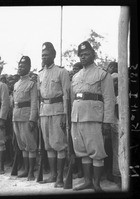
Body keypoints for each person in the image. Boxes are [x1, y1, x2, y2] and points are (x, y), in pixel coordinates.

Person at [71, 41, 115, 192]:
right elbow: (73, 99)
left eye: (87, 54)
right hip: (77, 118)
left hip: (93, 117)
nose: (83, 57)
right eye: (81, 55)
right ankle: (87, 181)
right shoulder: (76, 76)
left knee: (96, 152)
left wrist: (107, 122)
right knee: (82, 151)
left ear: (93, 55)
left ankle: (96, 183)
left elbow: (109, 99)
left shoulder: (102, 74)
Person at [38, 42, 70, 188]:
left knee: (59, 144)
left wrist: (64, 114)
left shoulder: (61, 72)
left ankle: (60, 178)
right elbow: (40, 97)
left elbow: (66, 95)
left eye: (47, 55)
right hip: (44, 111)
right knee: (49, 145)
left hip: (58, 110)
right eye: (42, 55)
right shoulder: (40, 74)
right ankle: (52, 175)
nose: (44, 57)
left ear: (54, 55)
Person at [12, 56, 38, 181]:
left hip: (27, 116)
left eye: (23, 65)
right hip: (16, 117)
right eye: (19, 65)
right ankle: (26, 169)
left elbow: (34, 103)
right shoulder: (16, 84)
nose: (20, 67)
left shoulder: (32, 84)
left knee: (31, 145)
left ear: (29, 67)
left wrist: (32, 119)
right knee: (22, 145)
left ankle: (31, 172)